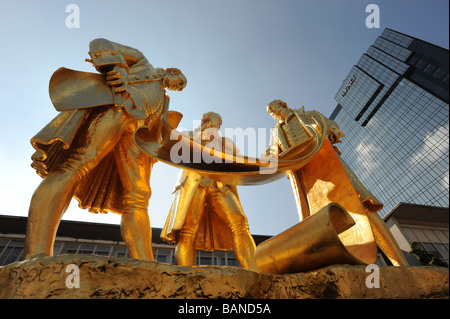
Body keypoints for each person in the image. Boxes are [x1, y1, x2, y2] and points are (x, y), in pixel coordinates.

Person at [24, 38, 187, 261]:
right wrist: (117, 68)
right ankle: (36, 253)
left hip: (138, 136)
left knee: (139, 194)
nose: (177, 85)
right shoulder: (142, 62)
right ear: (172, 71)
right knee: (78, 162)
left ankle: (144, 263)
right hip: (117, 109)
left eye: (179, 86)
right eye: (179, 80)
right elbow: (99, 43)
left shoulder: (163, 101)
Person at [265, 99, 409, 266]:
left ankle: (400, 263)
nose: (273, 113)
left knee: (361, 204)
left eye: (274, 108)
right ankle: (350, 267)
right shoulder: (276, 133)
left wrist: (328, 134)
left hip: (327, 160)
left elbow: (330, 126)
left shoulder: (308, 114)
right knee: (322, 223)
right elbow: (271, 154)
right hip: (306, 176)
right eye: (270, 112)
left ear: (283, 105)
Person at [161, 112, 259, 271]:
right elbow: (169, 144)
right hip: (193, 182)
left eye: (221, 119)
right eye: (217, 118)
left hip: (219, 185)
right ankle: (185, 277)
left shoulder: (225, 142)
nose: (220, 121)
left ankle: (254, 272)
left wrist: (264, 160)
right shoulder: (189, 135)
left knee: (239, 221)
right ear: (206, 120)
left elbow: (240, 161)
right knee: (187, 229)